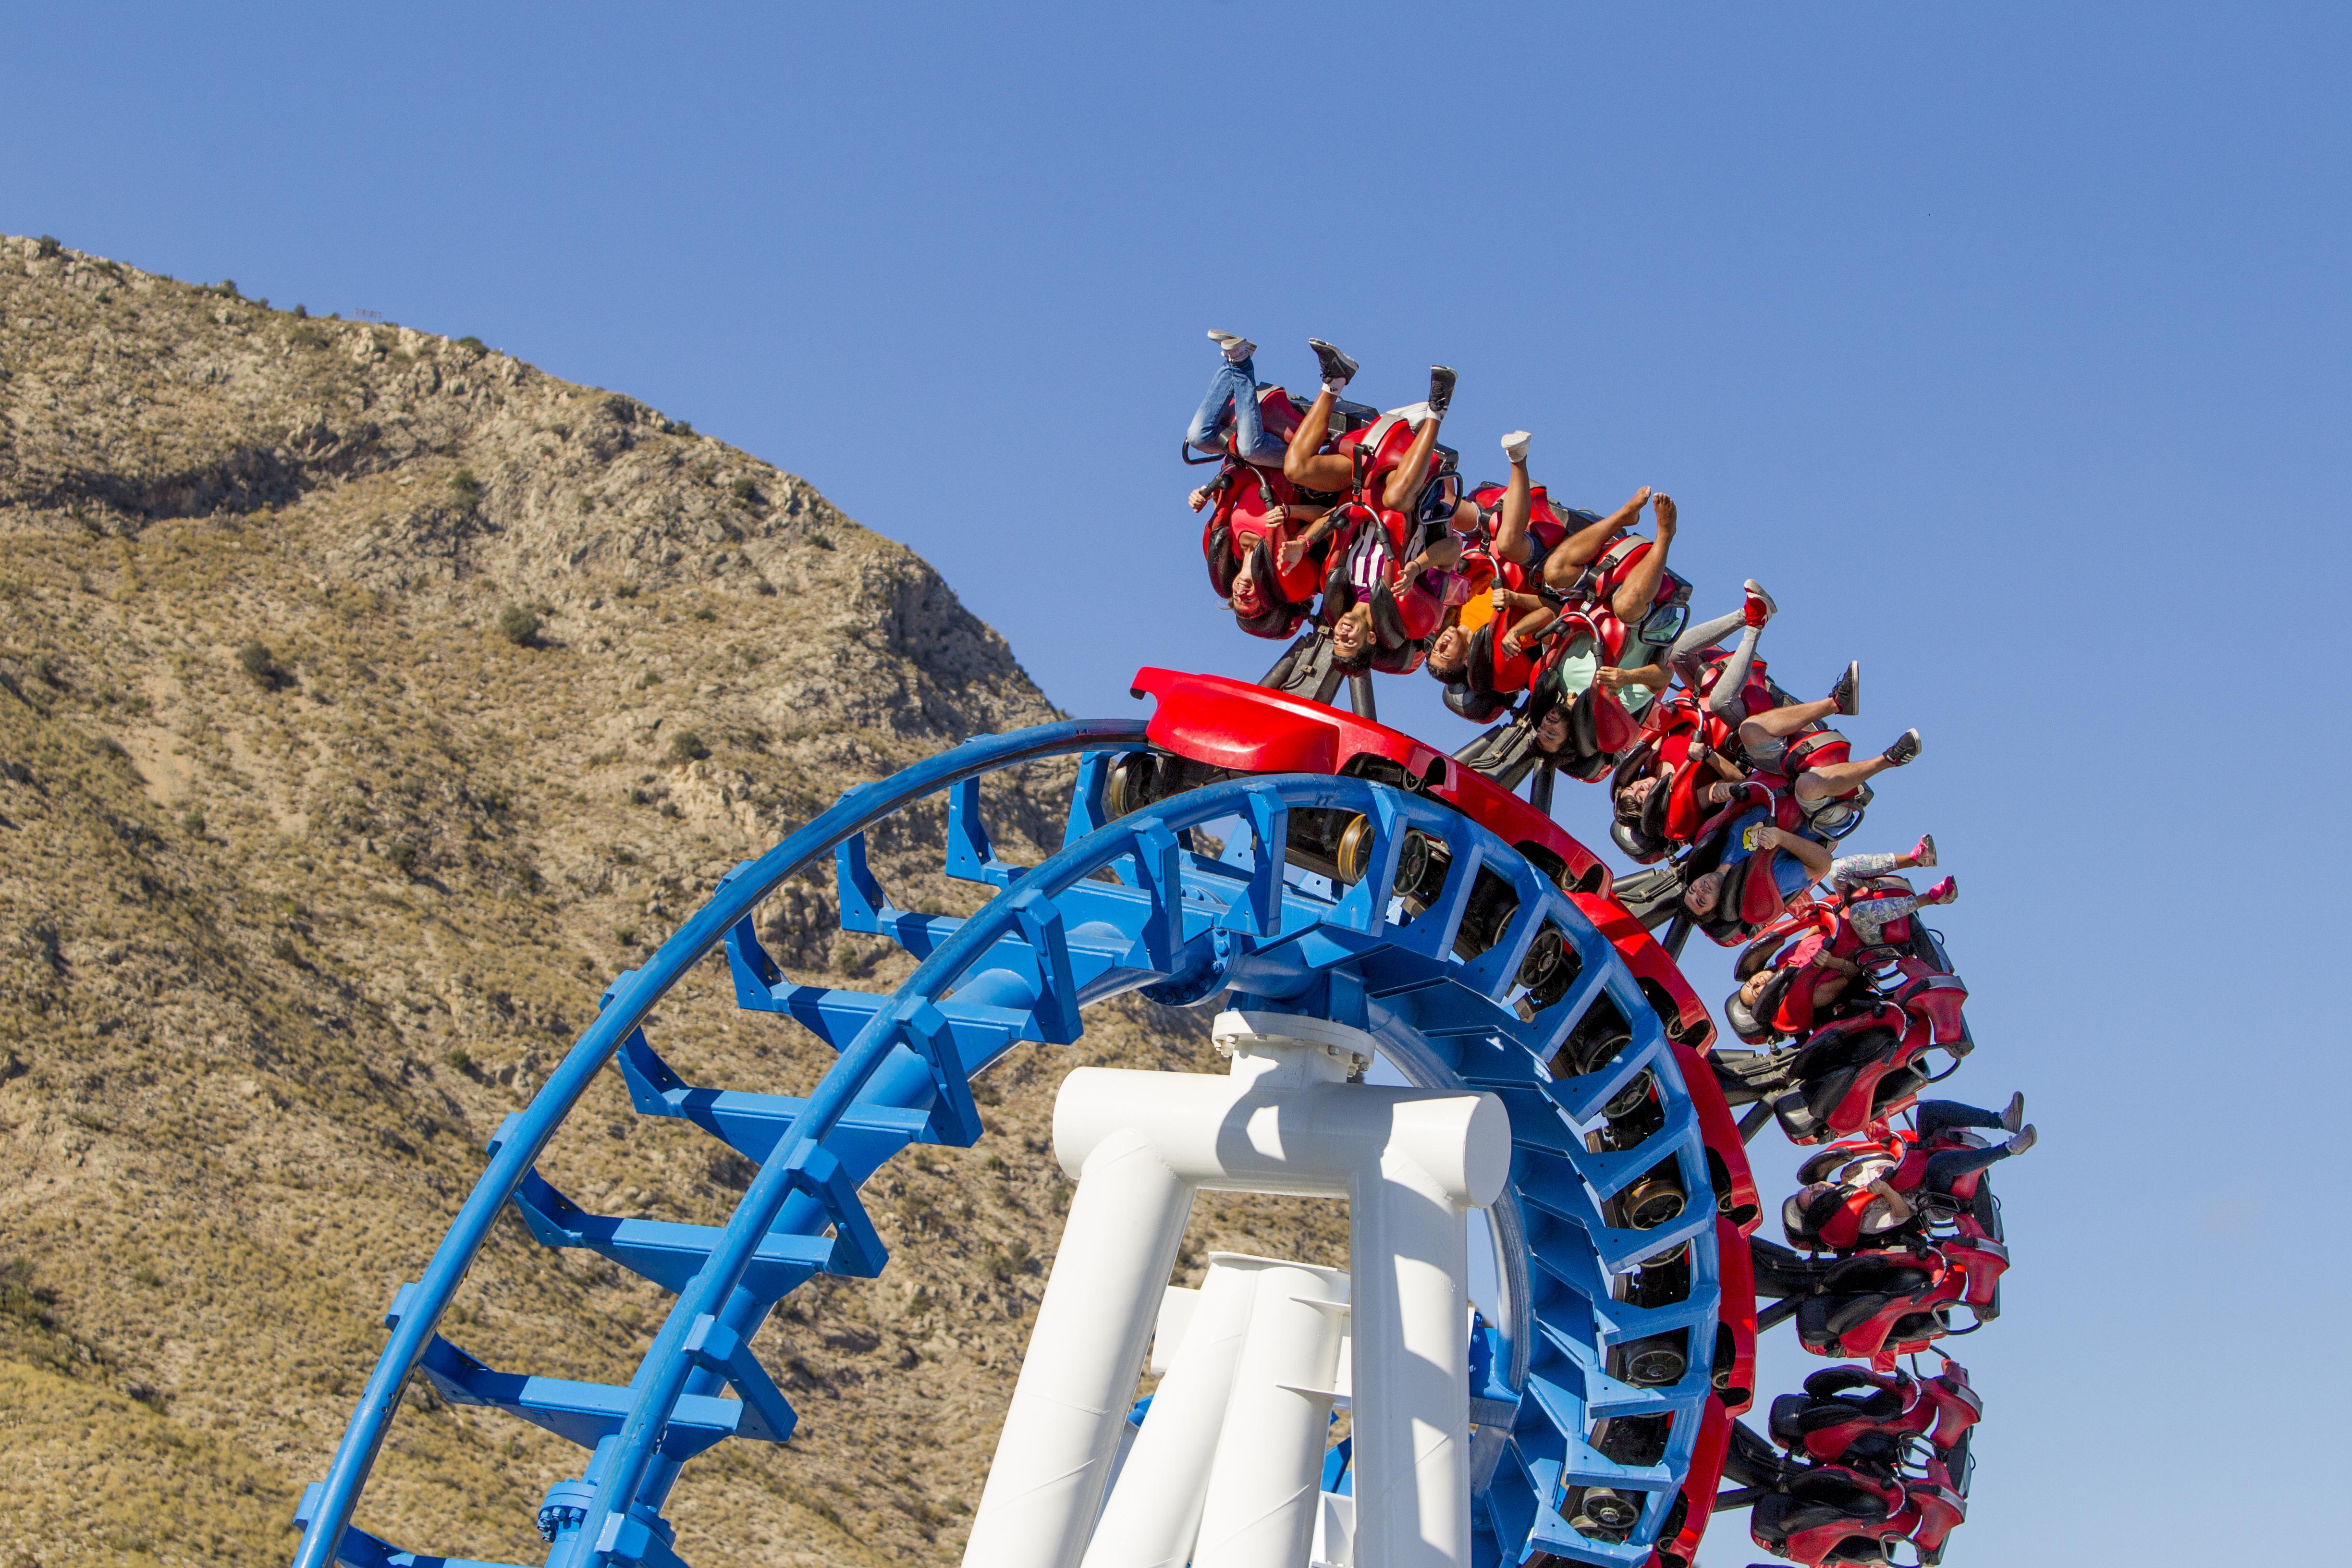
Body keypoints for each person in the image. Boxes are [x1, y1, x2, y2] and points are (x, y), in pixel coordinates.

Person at [1183, 329, 1286, 468]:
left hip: (1278, 457)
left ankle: (1238, 359)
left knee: (1199, 438)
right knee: (1199, 438)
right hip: (1294, 454)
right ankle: (1239, 358)